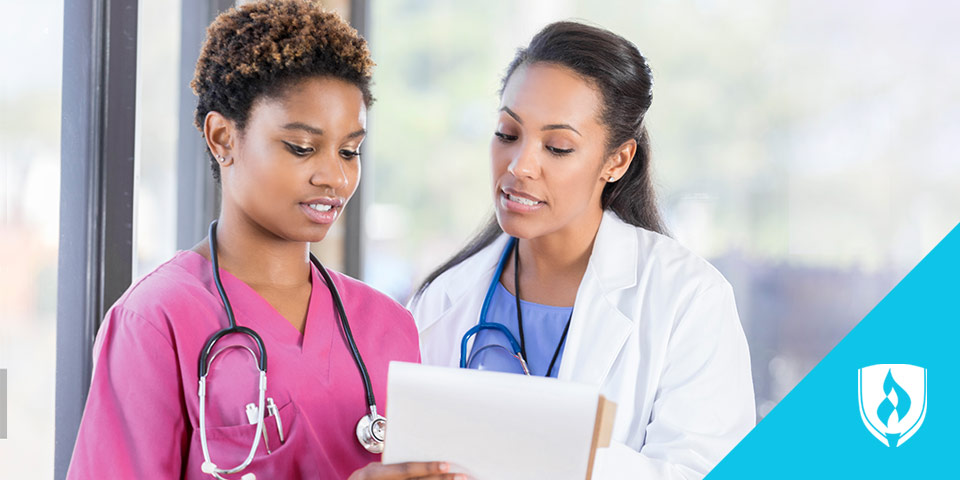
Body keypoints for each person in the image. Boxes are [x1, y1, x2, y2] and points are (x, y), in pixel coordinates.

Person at [67, 1, 460, 479]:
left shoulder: (388, 326)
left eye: (350, 151)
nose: (335, 176)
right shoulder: (155, 321)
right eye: (301, 147)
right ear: (222, 138)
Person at [409, 21, 755, 478]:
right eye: (507, 133)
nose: (519, 166)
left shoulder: (688, 299)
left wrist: (551, 446)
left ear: (617, 160)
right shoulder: (443, 298)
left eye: (557, 146)